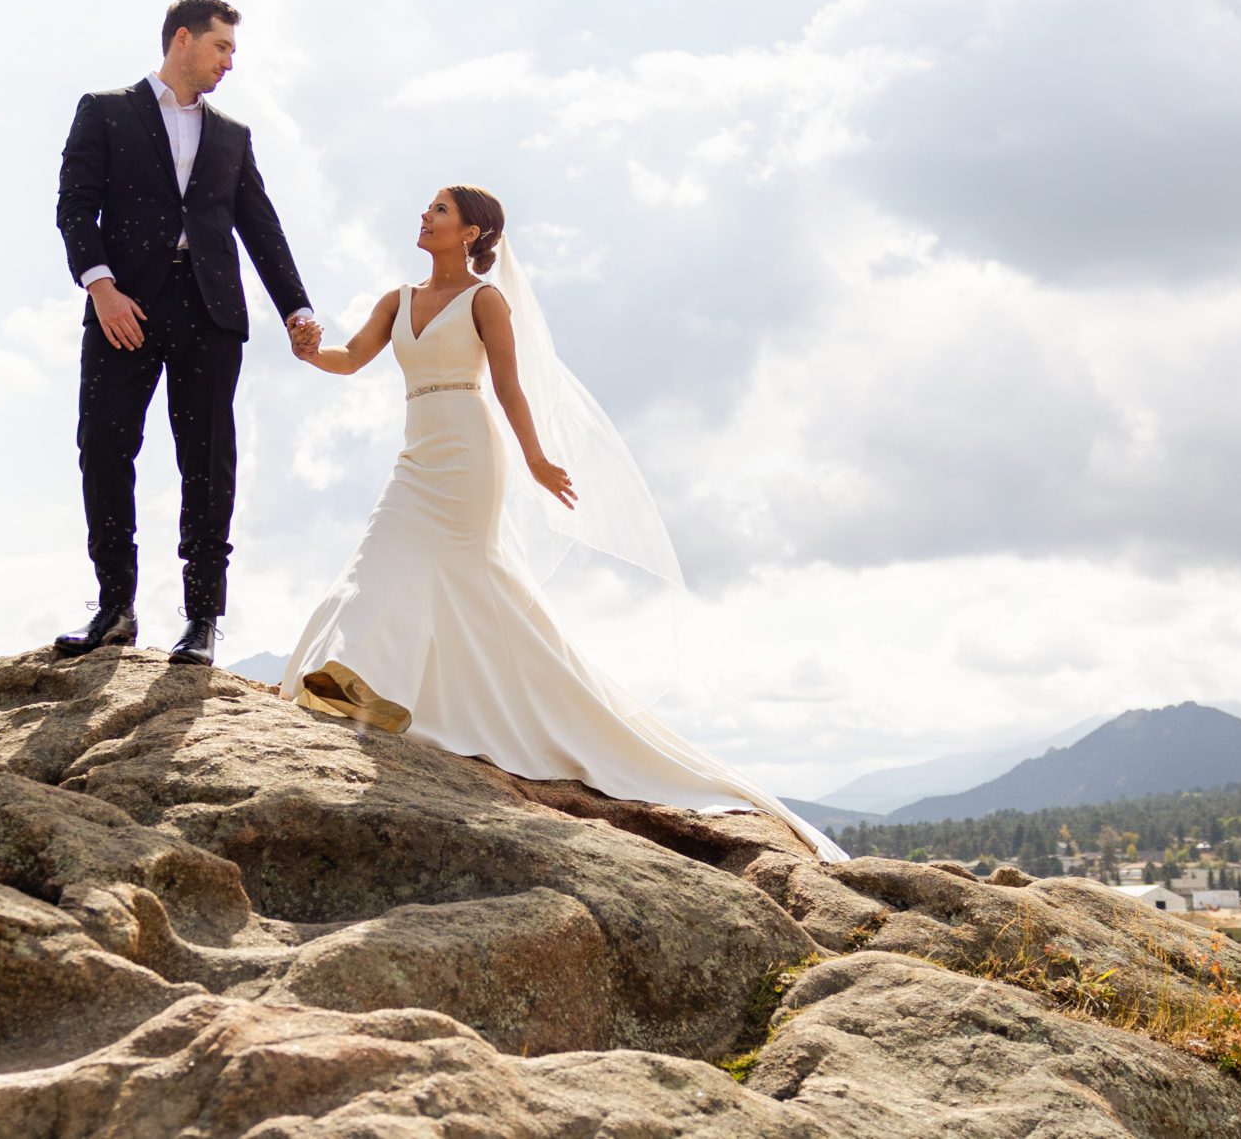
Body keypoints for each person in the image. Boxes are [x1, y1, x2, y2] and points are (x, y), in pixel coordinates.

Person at [279, 184, 847, 861]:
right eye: (427, 208)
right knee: (382, 550)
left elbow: (511, 387)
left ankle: (394, 688)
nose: (425, 217)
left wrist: (538, 460)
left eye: (440, 211)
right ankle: (365, 683)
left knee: (456, 570)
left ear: (471, 232)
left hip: (467, 451)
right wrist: (310, 351)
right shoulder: (394, 300)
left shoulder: (486, 301)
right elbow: (350, 357)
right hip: (415, 453)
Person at [51, 0, 320, 666]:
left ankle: (201, 619)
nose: (231, 60)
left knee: (206, 462)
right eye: (222, 47)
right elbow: (74, 206)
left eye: (232, 50)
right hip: (124, 308)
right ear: (182, 39)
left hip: (210, 312)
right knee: (104, 449)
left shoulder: (233, 135)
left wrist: (297, 309)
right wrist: (102, 286)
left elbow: (260, 225)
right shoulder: (104, 110)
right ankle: (115, 608)